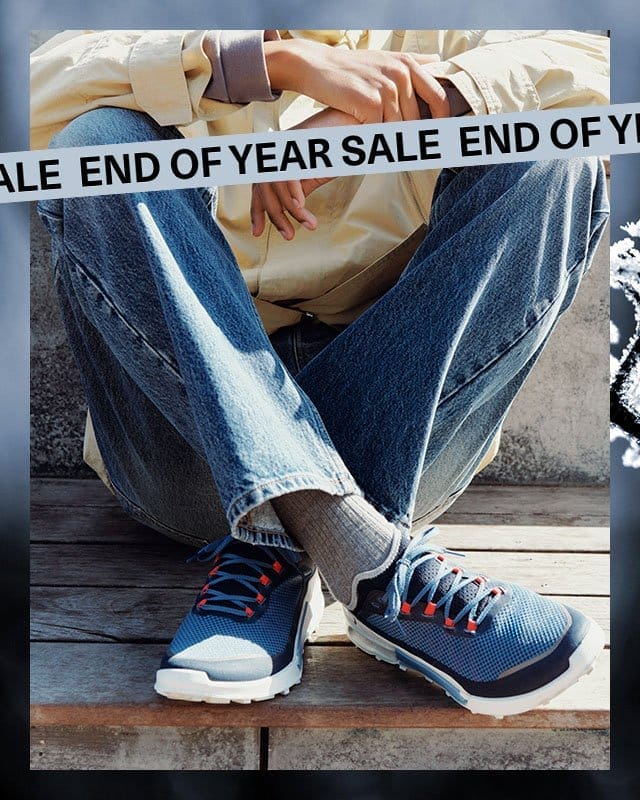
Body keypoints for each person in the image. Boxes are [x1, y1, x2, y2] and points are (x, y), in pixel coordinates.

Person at [31, 29, 610, 717]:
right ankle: (368, 560)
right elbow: (28, 90)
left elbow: (603, 65)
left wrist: (413, 104)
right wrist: (255, 65)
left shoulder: (435, 24)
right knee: (98, 145)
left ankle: (282, 538)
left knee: (555, 150)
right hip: (189, 459)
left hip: (400, 439)